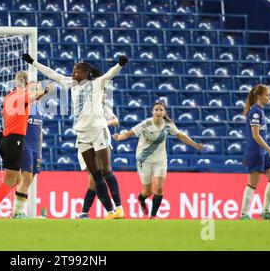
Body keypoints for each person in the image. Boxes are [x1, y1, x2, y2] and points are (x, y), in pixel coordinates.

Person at [22, 53, 128, 219]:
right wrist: (33, 62)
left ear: (86, 73)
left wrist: (120, 65)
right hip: (82, 134)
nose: (73, 73)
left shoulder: (97, 83)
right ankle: (110, 211)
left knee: (106, 170)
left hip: (98, 130)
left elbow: (110, 74)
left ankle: (120, 207)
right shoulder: (70, 83)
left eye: (76, 71)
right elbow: (52, 73)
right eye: (73, 70)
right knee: (96, 175)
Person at [113, 101, 204, 219]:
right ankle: (141, 199)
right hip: (144, 160)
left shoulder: (168, 125)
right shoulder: (145, 124)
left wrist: (195, 145)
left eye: (161, 110)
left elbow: (181, 135)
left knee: (159, 188)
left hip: (160, 160)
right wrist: (119, 137)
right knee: (148, 191)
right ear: (152, 111)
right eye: (156, 110)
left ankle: (153, 216)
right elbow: (130, 133)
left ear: (164, 112)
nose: (158, 112)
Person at [0, 71, 47, 218]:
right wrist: (45, 91)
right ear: (26, 83)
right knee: (12, 180)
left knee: (17, 179)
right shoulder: (22, 95)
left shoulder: (8, 97)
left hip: (6, 138)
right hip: (15, 140)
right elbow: (32, 96)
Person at [77, 89, 122, 219]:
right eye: (102, 92)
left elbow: (116, 120)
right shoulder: (86, 108)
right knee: (94, 180)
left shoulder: (104, 108)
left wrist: (104, 123)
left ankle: (109, 211)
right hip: (86, 144)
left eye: (104, 92)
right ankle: (110, 211)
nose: (105, 95)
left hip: (101, 143)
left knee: (97, 178)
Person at [12, 81, 52, 219]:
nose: (36, 87)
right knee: (26, 178)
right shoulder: (25, 104)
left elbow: (39, 130)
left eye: (38, 86)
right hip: (25, 145)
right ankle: (17, 212)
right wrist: (44, 92)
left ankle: (19, 211)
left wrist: (40, 151)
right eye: (33, 86)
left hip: (35, 148)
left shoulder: (40, 108)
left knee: (28, 180)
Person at [239, 84, 270, 220]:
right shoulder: (255, 111)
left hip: (262, 151)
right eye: (267, 95)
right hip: (256, 151)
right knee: (253, 183)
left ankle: (266, 211)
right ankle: (244, 214)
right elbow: (256, 135)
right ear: (259, 96)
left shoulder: (259, 111)